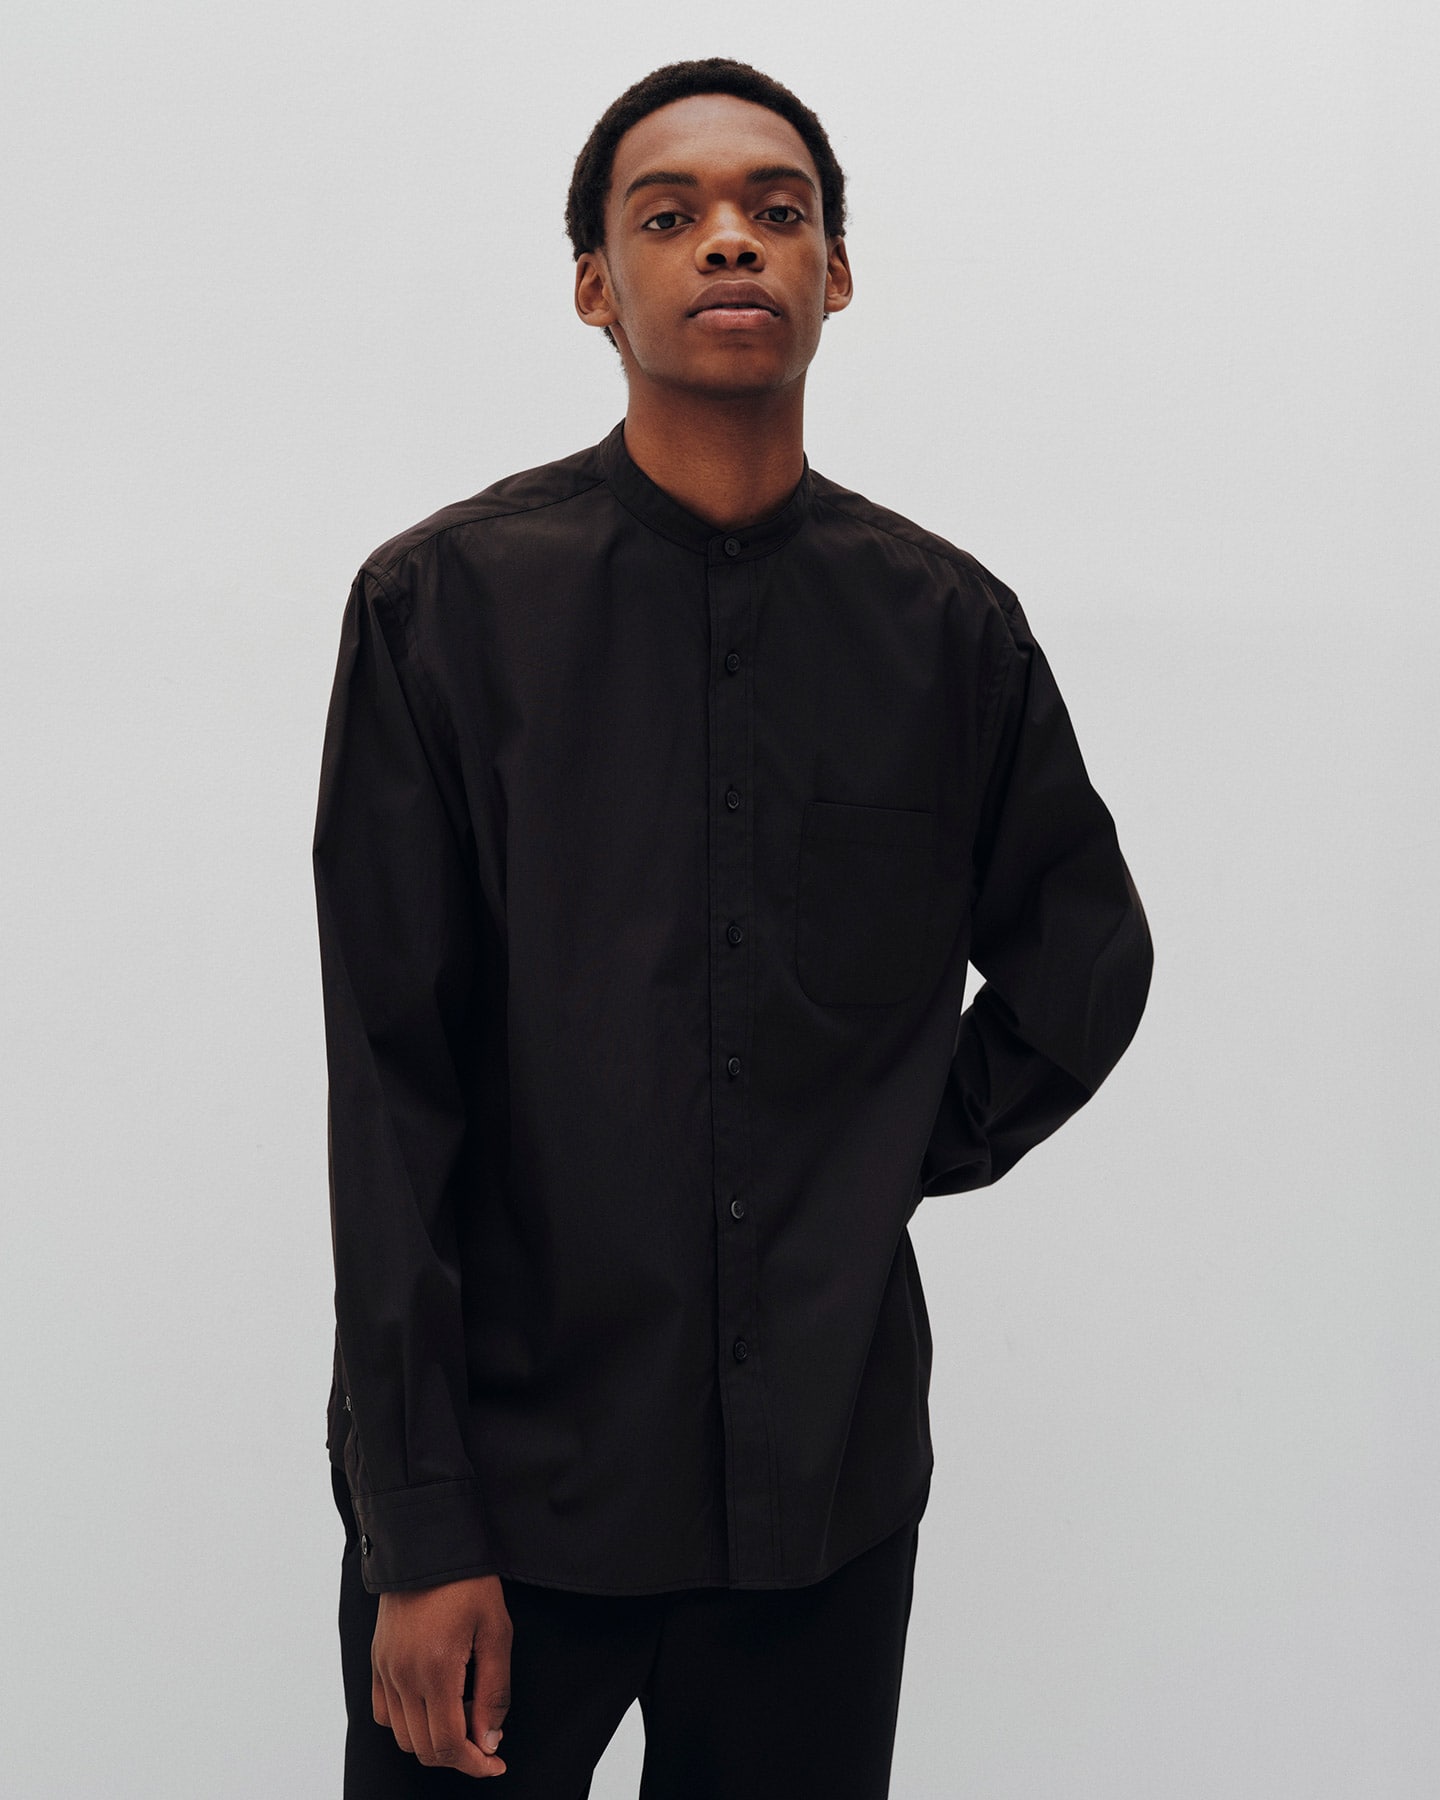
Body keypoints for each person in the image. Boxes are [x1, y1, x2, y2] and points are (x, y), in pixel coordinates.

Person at [312, 55, 1153, 1798]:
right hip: (507, 1506)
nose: (730, 242)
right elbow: (391, 1096)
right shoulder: (441, 612)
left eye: (778, 211)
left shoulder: (947, 631)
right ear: (593, 287)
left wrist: (879, 1148)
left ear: (835, 276)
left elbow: (1086, 960)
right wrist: (418, 1527)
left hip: (821, 1500)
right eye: (669, 214)